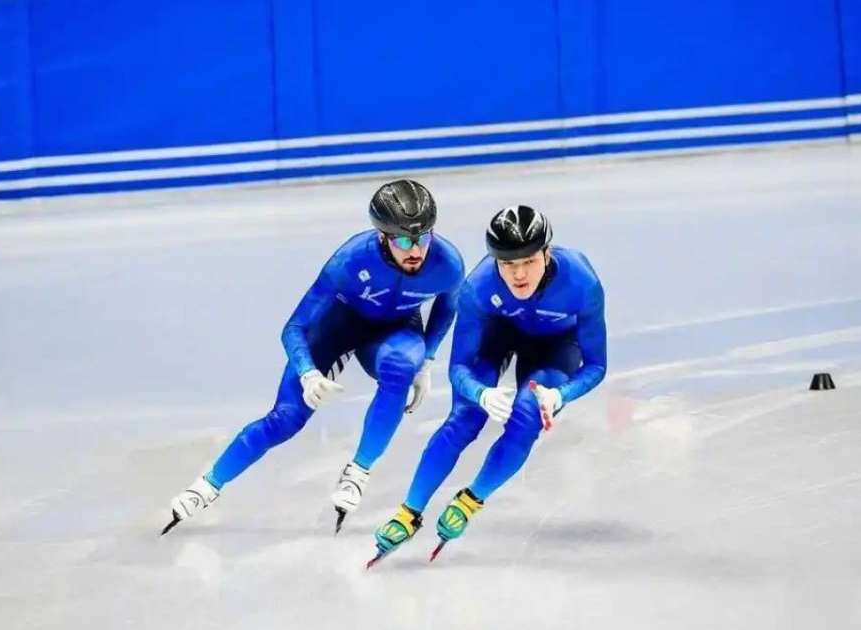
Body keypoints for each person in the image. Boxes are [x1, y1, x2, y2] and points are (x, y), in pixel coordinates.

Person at [164, 180, 465, 535]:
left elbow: (447, 308)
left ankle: (359, 470)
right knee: (286, 418)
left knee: (401, 368)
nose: (415, 250)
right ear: (383, 237)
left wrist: (427, 361)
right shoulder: (350, 261)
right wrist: (307, 372)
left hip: (393, 333)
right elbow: (294, 328)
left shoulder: (448, 264)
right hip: (335, 327)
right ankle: (208, 485)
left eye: (423, 237)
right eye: (402, 240)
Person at [369, 205, 607, 563]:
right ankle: (408, 511)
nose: (519, 273)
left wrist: (561, 393)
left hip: (555, 349)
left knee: (527, 417)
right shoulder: (478, 287)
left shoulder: (581, 282)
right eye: (508, 264)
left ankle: (470, 500)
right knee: (464, 419)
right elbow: (459, 368)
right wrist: (481, 393)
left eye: (528, 261)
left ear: (546, 253)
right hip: (495, 337)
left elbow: (597, 365)